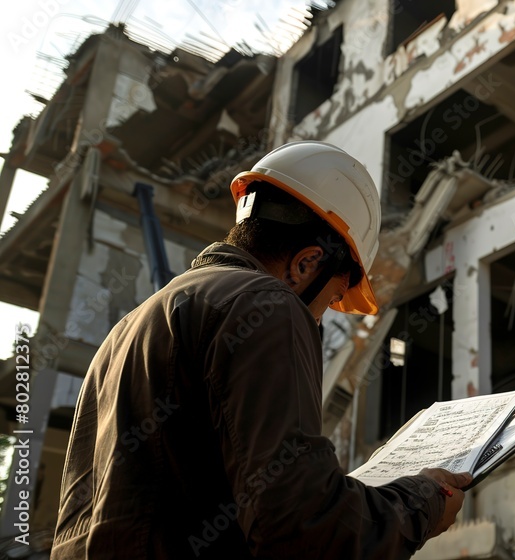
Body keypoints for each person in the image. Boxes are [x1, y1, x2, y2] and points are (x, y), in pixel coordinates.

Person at [52, 141, 469, 559]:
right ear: (307, 264)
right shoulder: (266, 305)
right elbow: (304, 530)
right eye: (331, 300)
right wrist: (424, 501)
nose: (320, 320)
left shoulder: (128, 329)